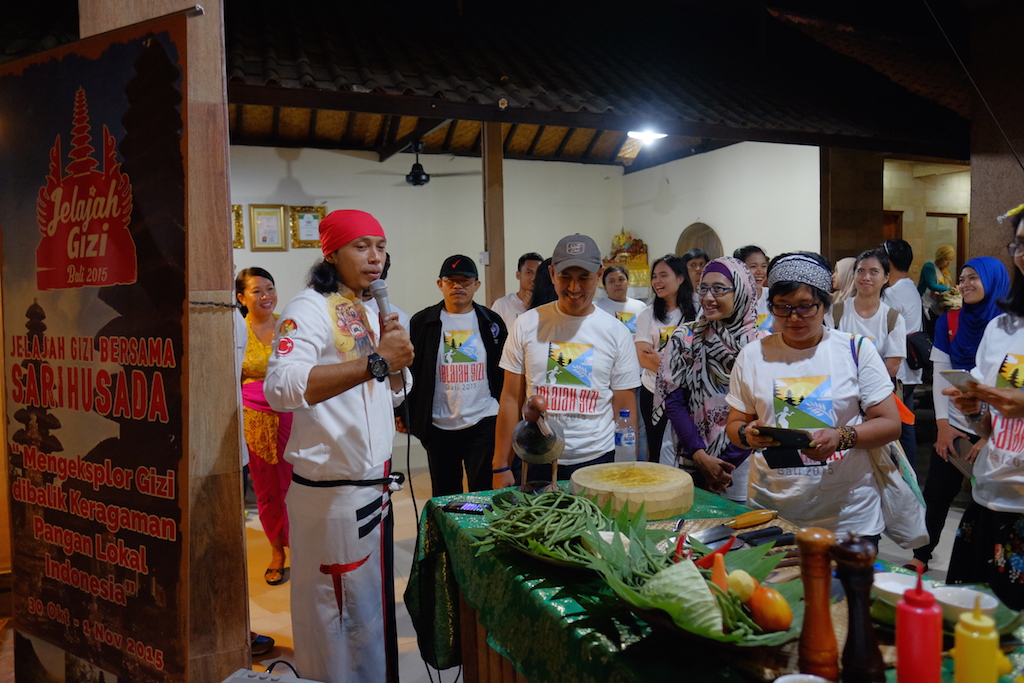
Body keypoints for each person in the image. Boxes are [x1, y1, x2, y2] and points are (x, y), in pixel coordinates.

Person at [264, 209, 414, 683]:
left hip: (374, 487)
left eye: (381, 246)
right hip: (332, 493)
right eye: (361, 246)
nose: (375, 257)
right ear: (331, 253)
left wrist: (396, 366)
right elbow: (281, 388)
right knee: (334, 615)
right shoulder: (307, 308)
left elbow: (390, 391)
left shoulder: (373, 309)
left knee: (366, 612)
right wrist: (377, 362)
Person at [725, 252, 902, 538]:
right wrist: (748, 434)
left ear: (825, 304)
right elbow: (735, 425)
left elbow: (890, 424)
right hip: (772, 511)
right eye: (782, 307)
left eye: (805, 306)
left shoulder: (855, 350)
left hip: (847, 517)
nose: (793, 317)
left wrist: (840, 437)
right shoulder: (753, 355)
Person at [492, 234, 641, 487]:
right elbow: (509, 399)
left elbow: (625, 408)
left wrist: (628, 468)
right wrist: (500, 465)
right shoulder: (526, 325)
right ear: (552, 274)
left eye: (584, 277)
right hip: (536, 455)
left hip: (598, 460)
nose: (574, 287)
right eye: (565, 276)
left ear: (599, 275)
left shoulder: (617, 332)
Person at [905, 256, 1009, 573]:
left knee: (990, 502)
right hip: (955, 424)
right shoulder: (949, 322)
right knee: (938, 492)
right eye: (961, 278)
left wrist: (990, 437)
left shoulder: (1010, 328)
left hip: (1001, 431)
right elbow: (941, 375)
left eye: (973, 277)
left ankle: (991, 567)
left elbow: (1010, 388)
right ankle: (921, 555)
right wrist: (943, 426)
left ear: (993, 280)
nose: (964, 284)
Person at [945, 204, 1024, 609]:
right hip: (993, 495)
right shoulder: (1003, 327)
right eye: (1020, 244)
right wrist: (975, 408)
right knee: (976, 624)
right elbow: (992, 427)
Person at [655, 256, 761, 502]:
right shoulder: (686, 337)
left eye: (719, 289)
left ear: (741, 292)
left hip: (738, 464)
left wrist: (722, 465)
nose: (708, 297)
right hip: (685, 453)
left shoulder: (760, 346)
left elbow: (761, 412)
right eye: (703, 288)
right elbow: (674, 401)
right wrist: (701, 457)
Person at [407, 255, 507, 496]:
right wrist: (404, 412)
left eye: (465, 281)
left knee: (482, 495)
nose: (457, 286)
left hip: (483, 419)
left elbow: (503, 370)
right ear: (440, 284)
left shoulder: (491, 322)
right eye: (450, 281)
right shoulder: (422, 322)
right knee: (446, 496)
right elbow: (410, 370)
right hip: (438, 424)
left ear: (476, 285)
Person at [236, 267, 295, 587]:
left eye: (270, 288)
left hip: (292, 414)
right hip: (254, 417)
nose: (266, 296)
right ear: (241, 297)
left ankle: (302, 544)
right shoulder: (235, 330)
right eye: (257, 291)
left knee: (297, 484)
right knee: (267, 489)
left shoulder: (290, 325)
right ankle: (277, 551)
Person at [636, 255, 693, 462]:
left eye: (663, 275)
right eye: (654, 276)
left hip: (688, 393)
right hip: (653, 391)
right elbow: (644, 358)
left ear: (680, 278)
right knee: (657, 448)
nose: (657, 281)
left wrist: (659, 357)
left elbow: (701, 357)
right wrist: (681, 362)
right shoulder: (647, 314)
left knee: (687, 449)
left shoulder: (698, 312)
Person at [833, 249, 906, 380]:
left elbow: (892, 367)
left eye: (874, 272)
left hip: (876, 388)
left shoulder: (893, 319)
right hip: (840, 386)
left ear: (886, 278)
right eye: (861, 271)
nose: (866, 277)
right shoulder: (835, 312)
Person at [881, 238, 924, 462]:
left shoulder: (891, 294)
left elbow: (883, 331)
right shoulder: (910, 287)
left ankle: (905, 473)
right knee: (906, 425)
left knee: (900, 429)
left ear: (888, 262)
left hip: (898, 370)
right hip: (910, 369)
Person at [490, 252, 543, 330]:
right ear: (518, 275)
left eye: (538, 273)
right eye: (529, 272)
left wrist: (532, 308)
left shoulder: (547, 304)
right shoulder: (502, 305)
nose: (534, 278)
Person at [919, 244, 957, 338]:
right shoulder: (929, 267)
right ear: (940, 257)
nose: (948, 262)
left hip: (937, 305)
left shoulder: (945, 271)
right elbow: (931, 285)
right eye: (946, 259)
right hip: (926, 304)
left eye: (950, 260)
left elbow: (942, 286)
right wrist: (949, 289)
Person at [596, 265, 647, 333]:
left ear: (628, 283)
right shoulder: (596, 308)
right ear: (605, 287)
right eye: (611, 281)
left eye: (621, 279)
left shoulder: (641, 307)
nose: (617, 284)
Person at [733, 245, 770, 327]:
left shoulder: (772, 296)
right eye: (753, 266)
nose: (760, 272)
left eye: (763, 266)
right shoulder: (731, 299)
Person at [682, 247, 709, 312]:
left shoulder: (711, 292)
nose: (698, 268)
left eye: (702, 264)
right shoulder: (679, 294)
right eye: (693, 265)